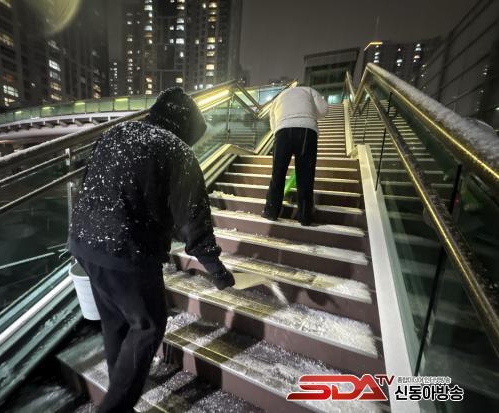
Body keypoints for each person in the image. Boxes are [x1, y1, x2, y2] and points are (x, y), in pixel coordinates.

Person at [68, 87, 235, 413]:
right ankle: (114, 408)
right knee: (148, 325)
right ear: (186, 127)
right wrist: (217, 270)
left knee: (115, 321)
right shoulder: (176, 150)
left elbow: (91, 182)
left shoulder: (118, 133)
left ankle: (119, 395)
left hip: (84, 242)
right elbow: (194, 217)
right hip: (126, 250)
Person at [262, 85, 328, 226]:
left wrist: (278, 132)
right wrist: (309, 113)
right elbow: (323, 110)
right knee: (305, 175)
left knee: (278, 174)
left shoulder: (279, 96)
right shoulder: (309, 90)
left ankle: (271, 212)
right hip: (306, 131)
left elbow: (272, 119)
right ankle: (305, 216)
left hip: (282, 131)